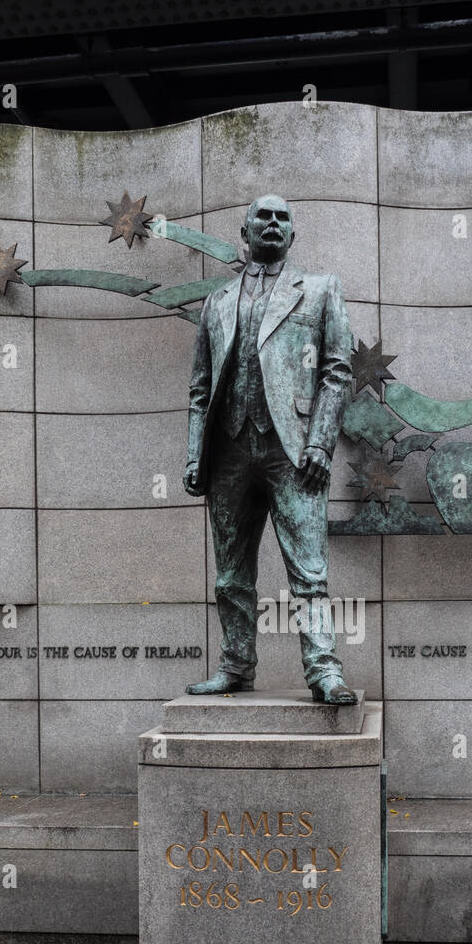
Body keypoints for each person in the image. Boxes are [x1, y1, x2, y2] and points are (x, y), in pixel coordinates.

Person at [183, 193, 357, 704]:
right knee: (231, 572)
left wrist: (321, 443)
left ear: (293, 235)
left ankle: (324, 670)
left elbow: (337, 371)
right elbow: (199, 387)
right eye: (265, 216)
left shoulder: (321, 290)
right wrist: (196, 455)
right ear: (246, 232)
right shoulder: (216, 302)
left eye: (284, 218)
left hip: (295, 453)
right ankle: (235, 666)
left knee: (308, 570)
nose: (274, 223)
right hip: (229, 452)